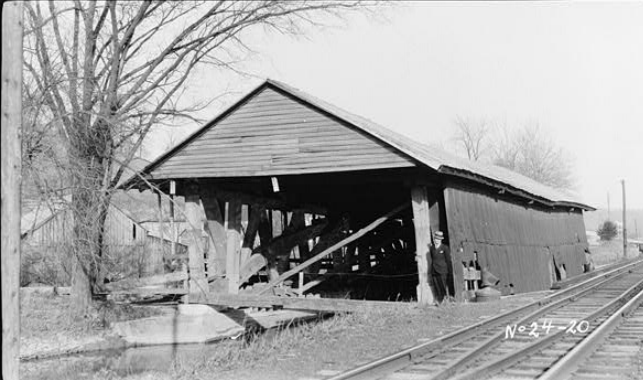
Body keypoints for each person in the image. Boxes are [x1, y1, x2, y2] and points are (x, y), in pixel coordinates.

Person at [429, 231, 453, 302]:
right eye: (435, 239)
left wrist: (449, 271)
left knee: (442, 286)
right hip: (434, 270)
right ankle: (439, 301)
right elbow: (432, 258)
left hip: (442, 270)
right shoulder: (432, 248)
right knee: (437, 287)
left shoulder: (445, 248)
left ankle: (444, 300)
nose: (436, 240)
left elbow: (448, 260)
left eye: (438, 239)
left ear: (441, 240)